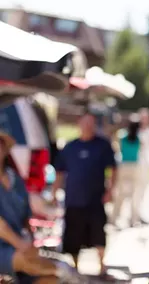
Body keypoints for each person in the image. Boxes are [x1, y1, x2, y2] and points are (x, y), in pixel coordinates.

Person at [0, 131, 75, 283]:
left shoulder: (15, 179)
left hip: (17, 243)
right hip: (11, 246)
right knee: (24, 260)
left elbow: (26, 216)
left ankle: (62, 271)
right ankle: (64, 271)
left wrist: (31, 241)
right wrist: (22, 245)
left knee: (49, 279)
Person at [52, 112, 117, 275]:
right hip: (74, 199)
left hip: (95, 199)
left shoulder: (102, 145)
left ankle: (102, 266)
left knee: (98, 233)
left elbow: (113, 169)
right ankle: (75, 267)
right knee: (73, 235)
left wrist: (110, 190)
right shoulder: (70, 147)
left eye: (91, 122)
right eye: (85, 122)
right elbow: (59, 171)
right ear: (79, 123)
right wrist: (54, 192)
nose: (87, 126)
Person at [111, 120, 141, 227]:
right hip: (134, 167)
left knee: (120, 194)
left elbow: (115, 145)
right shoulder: (138, 138)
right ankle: (133, 219)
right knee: (133, 195)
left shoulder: (123, 136)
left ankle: (114, 218)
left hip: (123, 166)